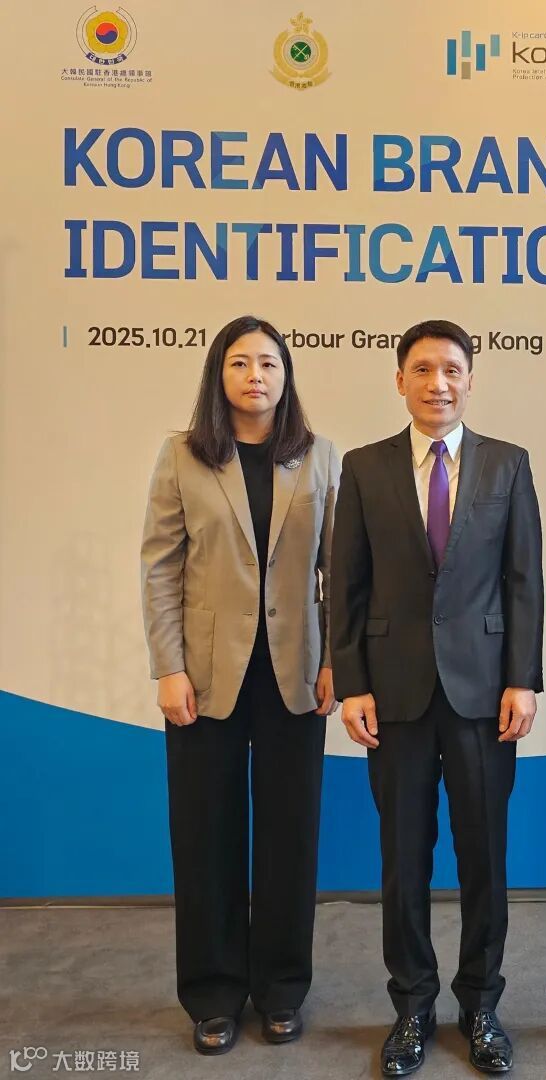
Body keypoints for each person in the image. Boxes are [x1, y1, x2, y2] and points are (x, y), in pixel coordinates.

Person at [329, 319, 543, 1077]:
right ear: (400, 380)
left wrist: (523, 678)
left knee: (484, 858)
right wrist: (351, 682)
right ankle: (412, 1006)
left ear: (470, 379)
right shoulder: (364, 467)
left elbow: (524, 580)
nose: (438, 383)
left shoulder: (507, 463)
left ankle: (481, 1003)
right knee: (402, 861)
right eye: (422, 369)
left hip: (485, 694)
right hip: (394, 695)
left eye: (452, 369)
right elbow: (345, 584)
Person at [140, 315, 339, 1055]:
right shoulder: (183, 455)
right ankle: (213, 994)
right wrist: (168, 667)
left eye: (269, 363)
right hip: (204, 676)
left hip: (296, 674)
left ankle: (282, 989)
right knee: (205, 836)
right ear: (218, 376)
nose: (256, 375)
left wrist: (336, 662)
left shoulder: (319, 457)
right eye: (240, 363)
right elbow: (160, 566)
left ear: (286, 377)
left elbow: (341, 572)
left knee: (291, 837)